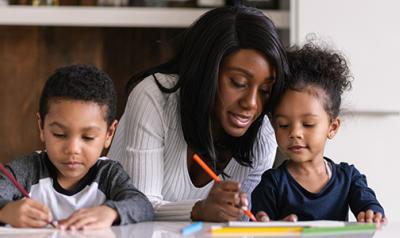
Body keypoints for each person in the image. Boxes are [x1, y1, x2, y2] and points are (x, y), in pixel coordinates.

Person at [107, 5, 289, 222]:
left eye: (265, 90)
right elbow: (138, 207)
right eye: (238, 83)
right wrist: (199, 210)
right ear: (206, 70)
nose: (251, 104)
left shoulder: (263, 135)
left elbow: (240, 220)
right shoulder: (154, 97)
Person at [0, 65, 154, 229]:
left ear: (109, 134)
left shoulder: (108, 174)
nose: (73, 149)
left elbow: (143, 207)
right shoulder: (26, 171)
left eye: (88, 137)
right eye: (59, 134)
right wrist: (5, 211)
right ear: (42, 127)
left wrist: (111, 212)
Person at [251, 42, 386, 223]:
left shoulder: (349, 178)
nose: (295, 133)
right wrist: (268, 228)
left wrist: (371, 212)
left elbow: (370, 205)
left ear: (332, 127)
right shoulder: (272, 184)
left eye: (308, 124)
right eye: (283, 125)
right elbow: (257, 226)